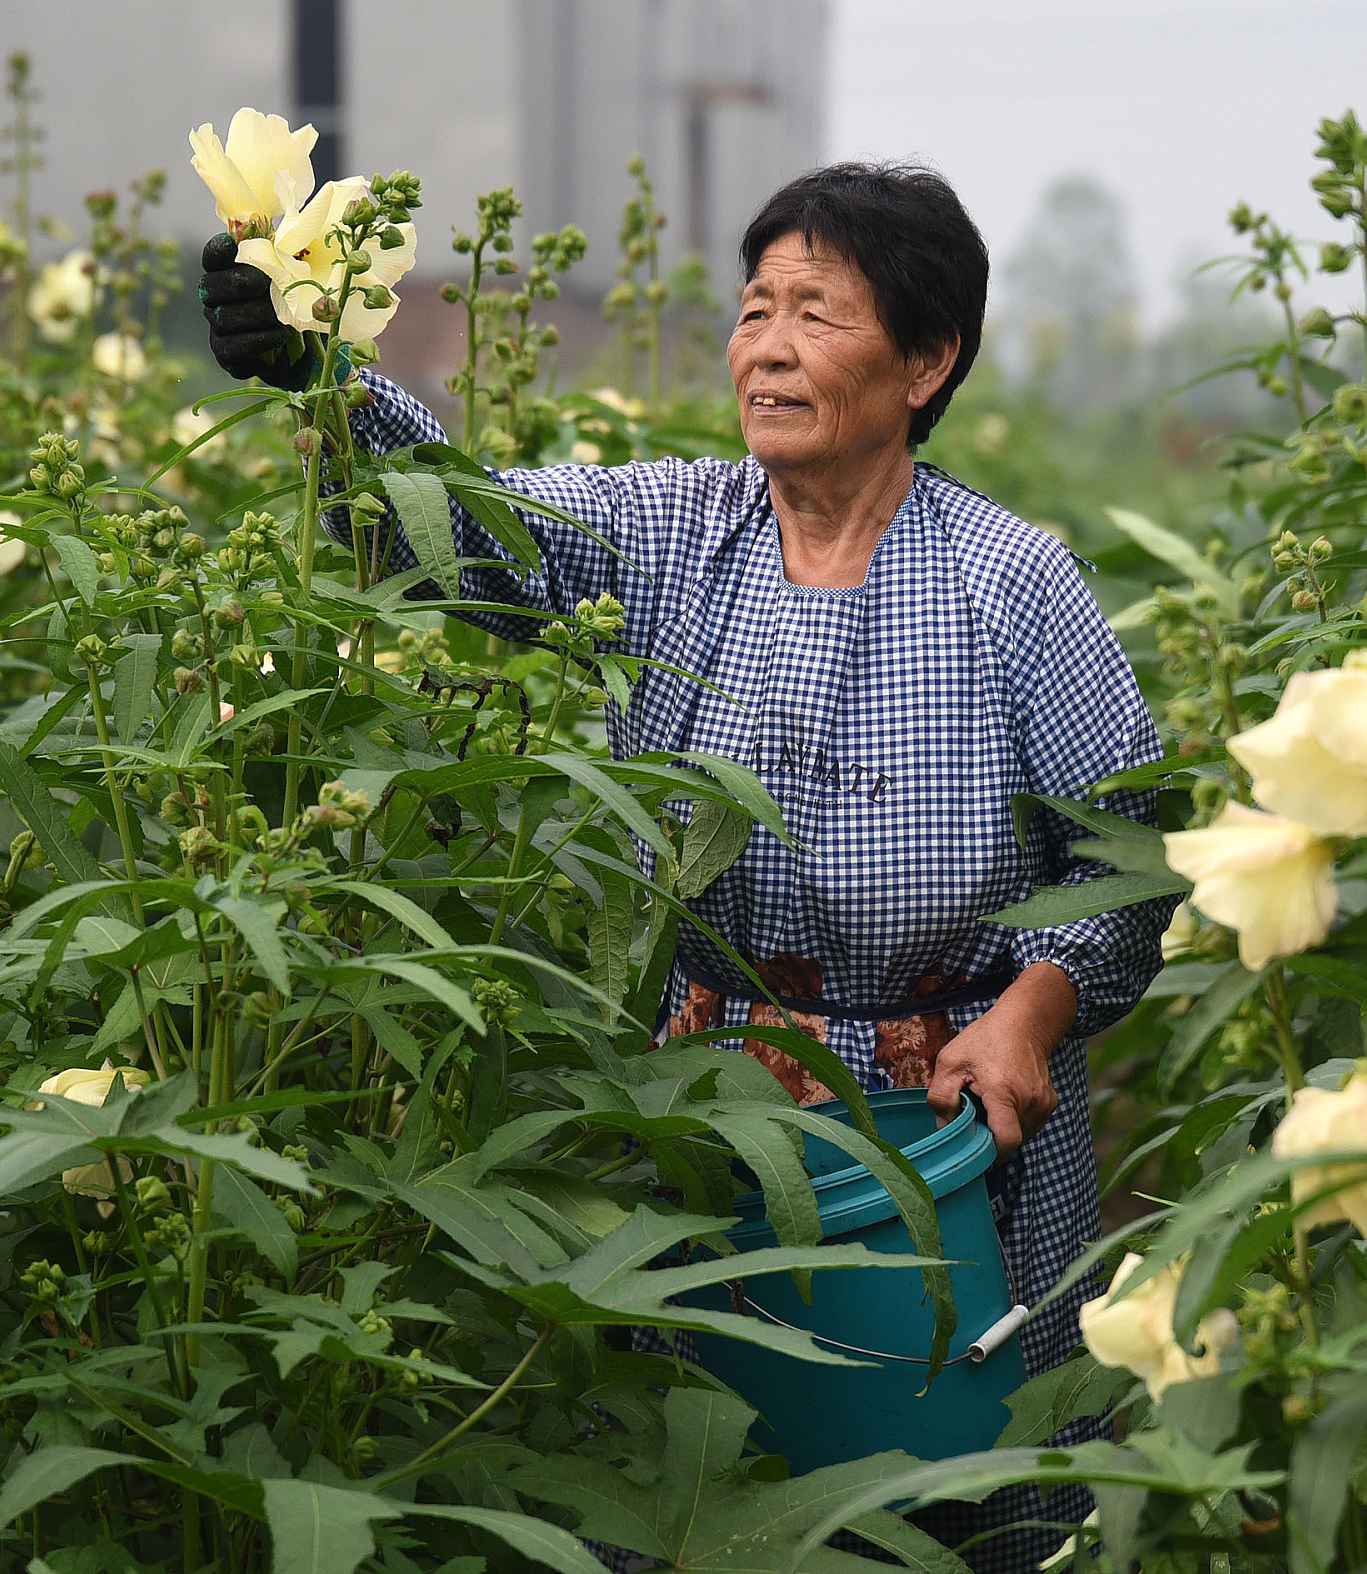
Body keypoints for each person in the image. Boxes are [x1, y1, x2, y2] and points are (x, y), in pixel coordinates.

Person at [200, 161, 1178, 1570]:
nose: (767, 347)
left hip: (954, 1137)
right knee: (700, 1483)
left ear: (928, 360)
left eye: (817, 314)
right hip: (707, 1112)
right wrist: (320, 376)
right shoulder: (671, 530)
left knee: (962, 1503)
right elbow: (457, 523)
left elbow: (1130, 854)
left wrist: (1038, 1007)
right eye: (754, 309)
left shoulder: (1009, 582)